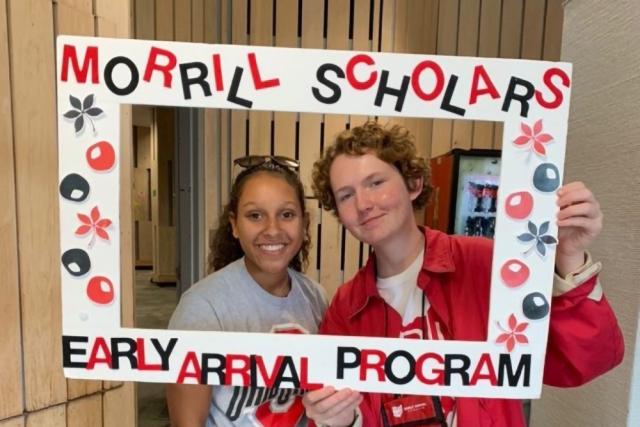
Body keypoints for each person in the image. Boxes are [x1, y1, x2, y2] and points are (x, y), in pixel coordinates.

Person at [302, 121, 624, 427]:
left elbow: (583, 362)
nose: (363, 203)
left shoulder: (485, 264)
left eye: (376, 182)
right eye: (345, 195)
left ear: (413, 184)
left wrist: (569, 255)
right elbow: (350, 410)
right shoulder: (346, 308)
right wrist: (339, 418)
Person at [167, 156, 328, 427]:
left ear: (304, 222)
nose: (272, 229)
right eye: (255, 215)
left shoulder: (316, 297)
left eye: (286, 214)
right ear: (234, 225)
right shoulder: (203, 307)